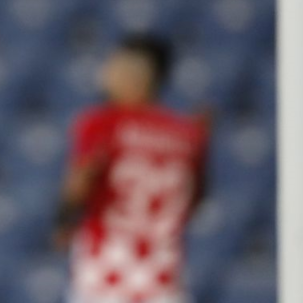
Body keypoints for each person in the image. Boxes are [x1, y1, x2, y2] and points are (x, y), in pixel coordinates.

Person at [54, 35, 209, 303]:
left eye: (113, 67)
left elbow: (81, 180)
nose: (105, 74)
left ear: (136, 76)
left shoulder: (102, 123)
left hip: (105, 278)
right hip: (163, 281)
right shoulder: (188, 133)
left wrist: (62, 220)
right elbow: (195, 199)